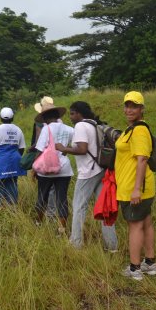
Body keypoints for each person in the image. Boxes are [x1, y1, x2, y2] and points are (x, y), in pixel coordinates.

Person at [56, 101, 118, 251]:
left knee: (78, 207)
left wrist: (64, 148)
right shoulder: (94, 125)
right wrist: (69, 149)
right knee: (104, 208)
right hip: (101, 169)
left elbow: (82, 149)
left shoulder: (80, 126)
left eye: (72, 113)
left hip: (88, 171)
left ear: (79, 113)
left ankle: (76, 243)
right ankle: (112, 246)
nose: (70, 117)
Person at [116, 91, 156, 281]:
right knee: (146, 222)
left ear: (142, 109)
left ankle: (135, 268)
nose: (129, 109)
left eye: (134, 106)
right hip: (135, 186)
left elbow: (142, 160)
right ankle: (150, 263)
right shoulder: (131, 129)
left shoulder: (139, 130)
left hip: (136, 188)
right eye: (127, 105)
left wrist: (136, 189)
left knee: (135, 226)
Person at [33, 101, 74, 233]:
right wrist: (63, 152)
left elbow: (39, 149)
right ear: (57, 116)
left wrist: (34, 167)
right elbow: (73, 146)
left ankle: (38, 222)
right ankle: (62, 228)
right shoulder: (69, 129)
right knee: (61, 198)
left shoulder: (46, 128)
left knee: (42, 196)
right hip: (65, 169)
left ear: (45, 118)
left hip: (46, 169)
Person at [0, 107, 27, 205]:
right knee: (13, 183)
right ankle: (13, 206)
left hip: (0, 162)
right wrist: (16, 159)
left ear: (0, 118)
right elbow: (21, 148)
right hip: (14, 161)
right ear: (12, 118)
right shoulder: (18, 129)